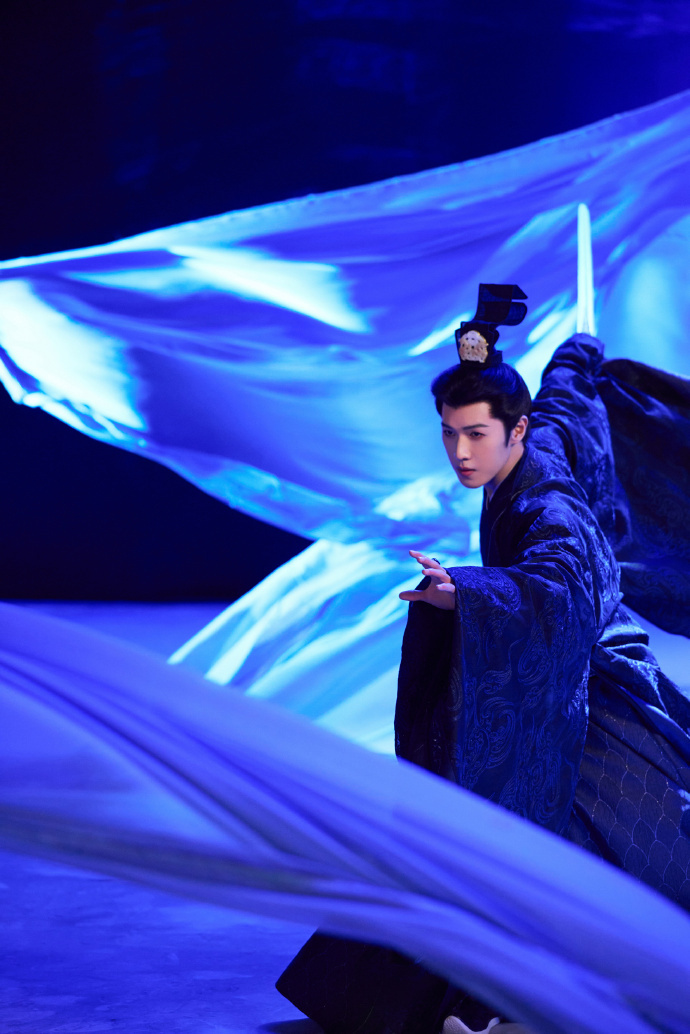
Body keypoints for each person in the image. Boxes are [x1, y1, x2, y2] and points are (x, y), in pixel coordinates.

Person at [277, 285, 690, 1034]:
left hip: (585, 691)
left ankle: (519, 1003)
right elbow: (568, 401)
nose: (461, 452)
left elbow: (560, 579)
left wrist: (465, 593)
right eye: (448, 433)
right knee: (482, 837)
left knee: (580, 838)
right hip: (554, 669)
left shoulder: (543, 504)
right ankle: (497, 999)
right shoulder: (545, 438)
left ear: (514, 429)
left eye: (475, 433)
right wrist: (580, 353)